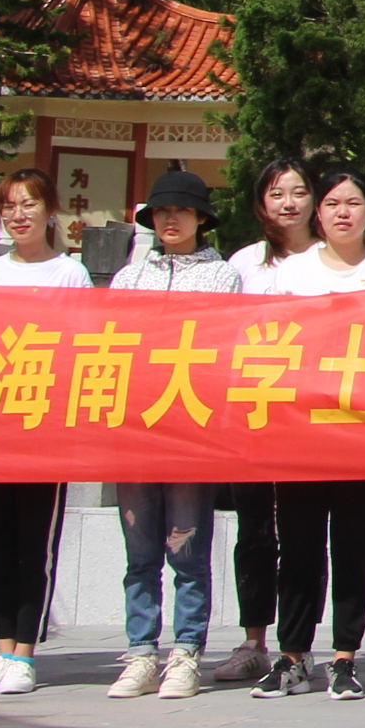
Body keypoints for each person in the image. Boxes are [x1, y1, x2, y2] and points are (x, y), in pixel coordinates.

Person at [260, 168, 365, 699]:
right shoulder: (293, 271)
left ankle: (345, 656)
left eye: (353, 203)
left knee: (352, 547)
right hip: (301, 434)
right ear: (318, 213)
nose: (342, 212)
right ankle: (291, 655)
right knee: (297, 547)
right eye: (332, 203)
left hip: (363, 433)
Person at [103, 169, 239, 700]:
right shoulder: (128, 277)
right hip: (135, 430)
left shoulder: (223, 277)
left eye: (181, 211)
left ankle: (186, 652)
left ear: (201, 218)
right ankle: (141, 652)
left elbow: (220, 347)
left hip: (189, 429)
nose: (171, 220)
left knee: (187, 549)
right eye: (162, 212)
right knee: (139, 552)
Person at [0, 168, 90, 696]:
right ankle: (2, 649)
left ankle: (26, 654)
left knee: (34, 543)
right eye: (9, 206)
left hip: (43, 429)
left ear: (50, 211)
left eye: (29, 204)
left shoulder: (70, 274)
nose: (18, 215)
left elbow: (82, 346)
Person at [212, 156, 321, 686]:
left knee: (305, 535)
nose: (288, 203)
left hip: (314, 418)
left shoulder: (331, 261)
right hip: (253, 414)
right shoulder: (244, 264)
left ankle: (300, 645)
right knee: (254, 531)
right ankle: (253, 639)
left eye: (298, 192)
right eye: (276, 193)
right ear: (260, 203)